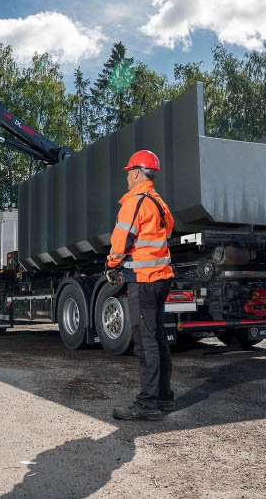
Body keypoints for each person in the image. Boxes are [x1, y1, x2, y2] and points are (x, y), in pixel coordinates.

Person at [106, 150, 175, 421]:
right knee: (158, 339)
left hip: (144, 281)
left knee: (146, 344)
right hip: (161, 278)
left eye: (128, 173)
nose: (127, 178)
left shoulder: (134, 202)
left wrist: (112, 264)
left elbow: (120, 242)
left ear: (136, 173)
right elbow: (166, 232)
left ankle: (147, 404)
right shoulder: (159, 203)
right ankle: (164, 397)